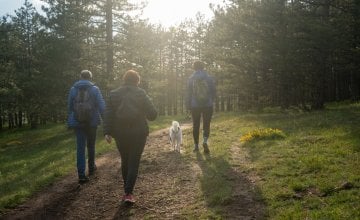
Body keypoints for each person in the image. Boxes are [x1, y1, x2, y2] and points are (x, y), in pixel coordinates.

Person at [103, 70, 157, 204]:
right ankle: (128, 193)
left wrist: (107, 132)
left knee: (125, 160)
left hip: (120, 133)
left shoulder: (113, 94)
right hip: (139, 133)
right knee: (134, 161)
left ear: (124, 80)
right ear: (137, 80)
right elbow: (153, 114)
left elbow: (108, 114)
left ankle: (126, 190)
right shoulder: (141, 93)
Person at [67, 70, 105, 184]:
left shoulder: (73, 89)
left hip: (78, 123)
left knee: (80, 147)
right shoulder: (95, 89)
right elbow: (102, 105)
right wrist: (107, 120)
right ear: (90, 78)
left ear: (80, 77)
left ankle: (81, 175)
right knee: (91, 145)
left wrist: (72, 119)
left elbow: (69, 106)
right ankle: (92, 167)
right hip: (92, 122)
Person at [186, 60, 216, 154]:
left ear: (194, 67)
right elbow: (213, 91)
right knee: (206, 124)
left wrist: (188, 105)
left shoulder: (191, 78)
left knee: (196, 125)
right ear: (203, 67)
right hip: (207, 104)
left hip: (195, 105)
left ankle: (196, 146)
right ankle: (205, 141)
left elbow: (188, 93)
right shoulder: (209, 77)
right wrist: (212, 100)